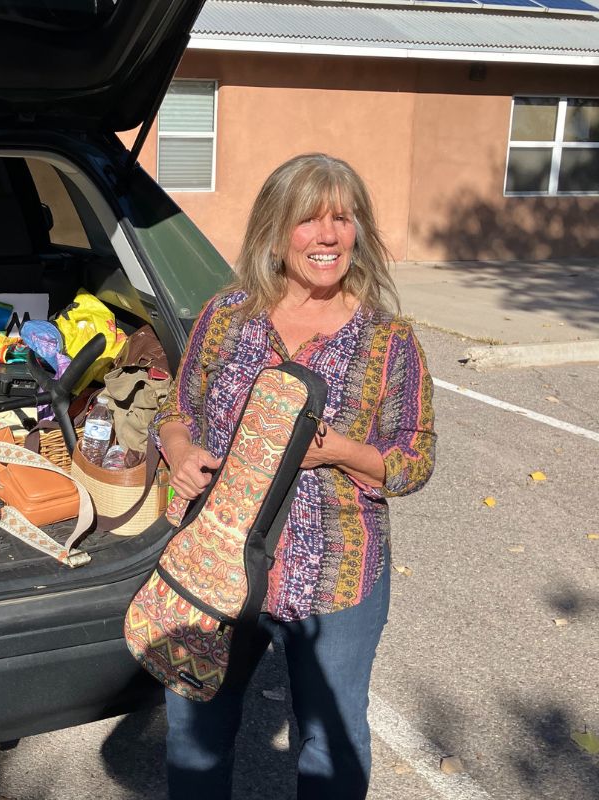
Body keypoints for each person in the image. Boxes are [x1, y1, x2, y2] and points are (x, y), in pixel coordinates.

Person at [150, 153, 436, 800]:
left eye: (343, 217)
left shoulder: (389, 342)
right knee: (195, 734)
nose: (329, 236)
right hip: (218, 558)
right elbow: (177, 408)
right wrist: (179, 449)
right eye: (309, 219)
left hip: (336, 576)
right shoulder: (228, 316)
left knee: (331, 745)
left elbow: (414, 459)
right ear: (276, 231)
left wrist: (338, 450)